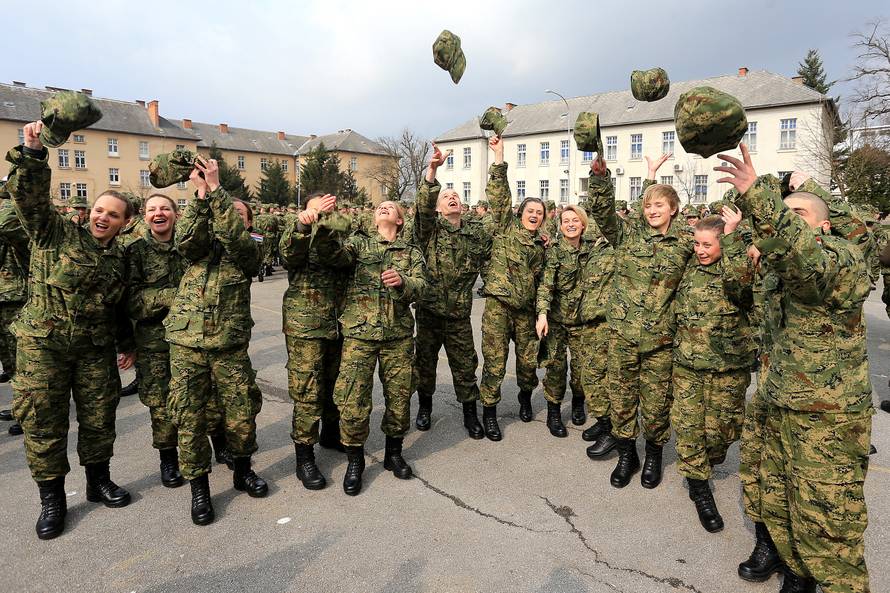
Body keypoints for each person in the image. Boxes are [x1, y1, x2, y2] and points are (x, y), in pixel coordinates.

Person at [717, 145, 873, 593]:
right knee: (776, 498)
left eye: (799, 214)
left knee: (829, 526)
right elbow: (739, 291)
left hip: (824, 416)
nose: (787, 221)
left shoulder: (842, 258)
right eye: (784, 215)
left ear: (824, 224)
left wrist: (761, 195)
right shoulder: (774, 268)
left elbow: (808, 262)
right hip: (775, 399)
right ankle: (794, 571)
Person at [7, 121, 135, 540]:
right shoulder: (54, 231)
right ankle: (52, 499)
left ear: (124, 224)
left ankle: (99, 480)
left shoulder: (120, 261)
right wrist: (31, 153)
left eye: (113, 215)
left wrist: (126, 344)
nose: (103, 217)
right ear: (90, 212)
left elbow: (119, 310)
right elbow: (28, 200)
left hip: (94, 350)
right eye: (99, 210)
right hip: (43, 347)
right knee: (43, 423)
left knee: (99, 420)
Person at [165, 157, 267, 526]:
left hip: (229, 343)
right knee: (190, 419)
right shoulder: (200, 244)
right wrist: (201, 194)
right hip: (187, 342)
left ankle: (242, 471)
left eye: (241, 212)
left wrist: (219, 192)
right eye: (226, 210)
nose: (233, 215)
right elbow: (185, 241)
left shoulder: (252, 246)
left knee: (241, 412)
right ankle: (200, 490)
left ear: (249, 221)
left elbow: (241, 248)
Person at [587, 152, 693, 489]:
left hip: (660, 341)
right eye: (648, 205)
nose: (652, 210)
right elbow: (603, 215)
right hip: (622, 337)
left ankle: (654, 455)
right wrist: (601, 180)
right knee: (620, 399)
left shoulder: (686, 244)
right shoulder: (628, 236)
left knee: (658, 403)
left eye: (659, 204)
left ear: (673, 208)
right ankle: (626, 454)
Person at [321, 199, 427, 495]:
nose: (384, 208)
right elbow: (333, 257)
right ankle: (355, 460)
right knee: (353, 400)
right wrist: (326, 223)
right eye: (380, 206)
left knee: (399, 397)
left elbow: (424, 287)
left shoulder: (410, 251)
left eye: (391, 207)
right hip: (359, 335)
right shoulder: (357, 243)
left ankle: (394, 453)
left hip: (398, 336)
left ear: (400, 220)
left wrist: (404, 282)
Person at [670, 210, 754, 532]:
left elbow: (744, 290)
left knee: (722, 433)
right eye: (697, 243)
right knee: (689, 427)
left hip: (727, 368)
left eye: (707, 245)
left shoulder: (736, 270)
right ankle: (699, 486)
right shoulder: (689, 266)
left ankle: (708, 462)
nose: (700, 250)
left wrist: (733, 234)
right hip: (689, 365)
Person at [412, 143, 487, 439]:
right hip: (429, 312)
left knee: (465, 365)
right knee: (425, 363)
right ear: (439, 207)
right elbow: (422, 210)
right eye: (446, 197)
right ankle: (425, 408)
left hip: (458, 315)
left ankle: (471, 414)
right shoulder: (429, 230)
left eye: (455, 195)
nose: (452, 198)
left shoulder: (474, 232)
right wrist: (432, 171)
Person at [478, 136, 547, 440]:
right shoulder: (505, 228)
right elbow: (499, 196)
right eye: (530, 211)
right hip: (498, 307)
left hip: (526, 313)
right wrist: (499, 155)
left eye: (540, 213)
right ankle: (490, 414)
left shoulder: (544, 246)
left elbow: (546, 282)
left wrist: (541, 313)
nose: (534, 215)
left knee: (527, 363)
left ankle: (525, 398)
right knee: (494, 362)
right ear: (520, 214)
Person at [278, 192, 347, 490]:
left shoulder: (341, 227)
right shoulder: (295, 229)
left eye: (326, 206)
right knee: (307, 389)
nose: (320, 211)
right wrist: (304, 226)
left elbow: (344, 257)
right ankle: (304, 456)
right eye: (314, 207)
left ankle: (331, 434)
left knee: (335, 382)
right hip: (304, 323)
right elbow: (287, 255)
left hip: (340, 320)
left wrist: (329, 220)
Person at [536, 205, 614, 439]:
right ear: (560, 226)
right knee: (556, 369)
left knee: (582, 371)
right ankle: (554, 413)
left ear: (583, 224)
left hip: (584, 324)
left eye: (575, 220)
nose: (570, 224)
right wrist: (542, 313)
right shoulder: (554, 251)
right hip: (558, 322)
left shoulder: (596, 249)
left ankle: (579, 403)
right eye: (565, 221)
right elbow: (546, 285)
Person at [125, 193, 186, 488]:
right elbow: (130, 301)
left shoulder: (189, 246)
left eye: (164, 208)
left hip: (191, 338)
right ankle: (168, 459)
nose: (158, 213)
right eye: (152, 210)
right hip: (154, 341)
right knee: (160, 404)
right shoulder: (134, 251)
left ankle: (209, 447)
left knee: (200, 396)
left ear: (175, 213)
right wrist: (167, 296)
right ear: (144, 216)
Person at [0, 179, 29, 436]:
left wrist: (8, 193)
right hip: (2, 299)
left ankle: (27, 412)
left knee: (22, 362)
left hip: (15, 299)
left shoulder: (18, 223)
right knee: (9, 362)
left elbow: (6, 222)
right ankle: (20, 406)